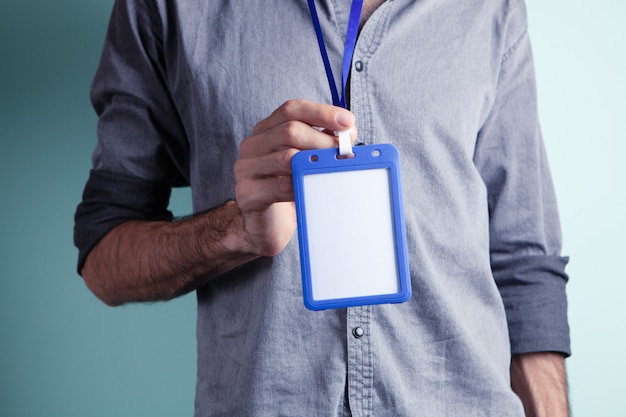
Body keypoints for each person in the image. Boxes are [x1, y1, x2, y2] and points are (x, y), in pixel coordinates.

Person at [74, 0, 571, 415]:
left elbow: (524, 265)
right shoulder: (170, 7)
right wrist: (236, 232)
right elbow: (104, 254)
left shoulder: (489, 8)